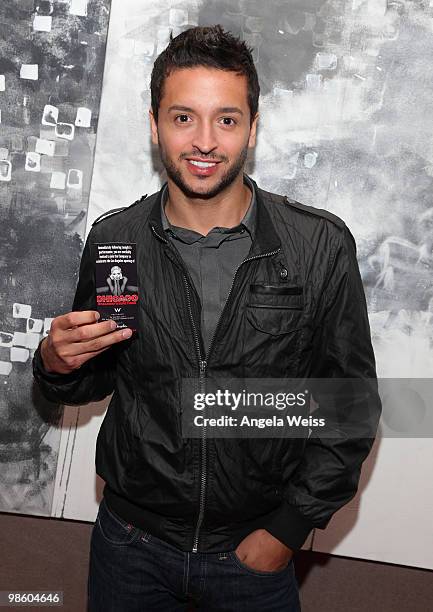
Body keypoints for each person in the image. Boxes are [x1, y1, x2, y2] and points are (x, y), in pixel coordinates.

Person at [33, 25, 381, 612]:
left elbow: (349, 406)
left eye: (225, 119)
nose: (204, 141)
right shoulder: (116, 239)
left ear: (252, 127)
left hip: (252, 553)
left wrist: (286, 532)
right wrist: (54, 363)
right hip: (130, 546)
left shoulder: (319, 245)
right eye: (182, 117)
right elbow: (93, 375)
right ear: (154, 125)